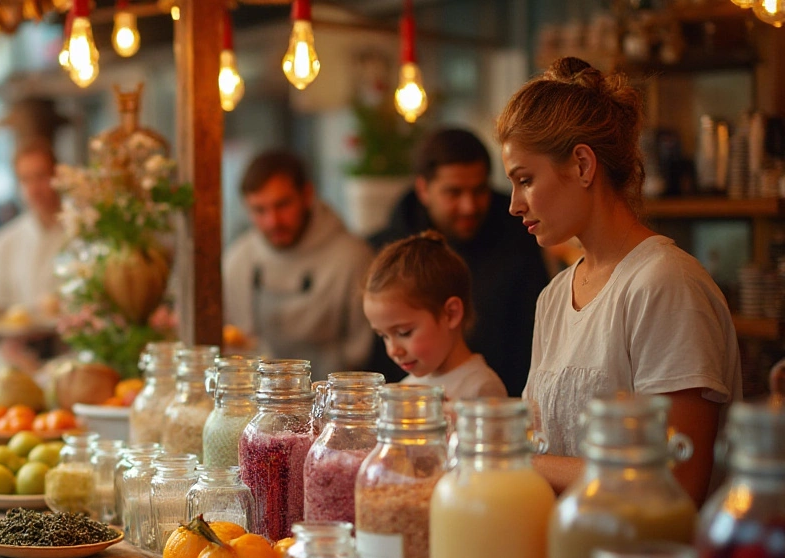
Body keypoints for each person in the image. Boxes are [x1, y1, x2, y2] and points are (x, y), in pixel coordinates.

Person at [499, 57, 741, 502]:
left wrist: (511, 460)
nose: (515, 204)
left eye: (526, 180)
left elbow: (676, 484)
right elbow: (539, 443)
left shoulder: (666, 283)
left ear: (583, 165)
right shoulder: (553, 297)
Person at [368, 128, 549, 395]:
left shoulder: (520, 236)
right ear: (423, 189)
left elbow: (532, 336)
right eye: (453, 193)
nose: (469, 206)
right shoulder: (388, 248)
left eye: (479, 191)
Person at [224, 150, 373, 378]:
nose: (273, 221)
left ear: (307, 195)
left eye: (282, 205)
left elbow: (361, 352)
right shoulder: (237, 259)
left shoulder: (353, 258)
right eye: (259, 210)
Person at [364, 231, 506, 400]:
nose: (393, 350)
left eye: (404, 332)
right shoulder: (406, 388)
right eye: (384, 336)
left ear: (450, 314)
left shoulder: (482, 388)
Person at [0, 142, 67, 312]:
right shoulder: (6, 239)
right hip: (22, 338)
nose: (34, 189)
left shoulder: (83, 230)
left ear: (58, 175)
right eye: (25, 179)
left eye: (41, 176)